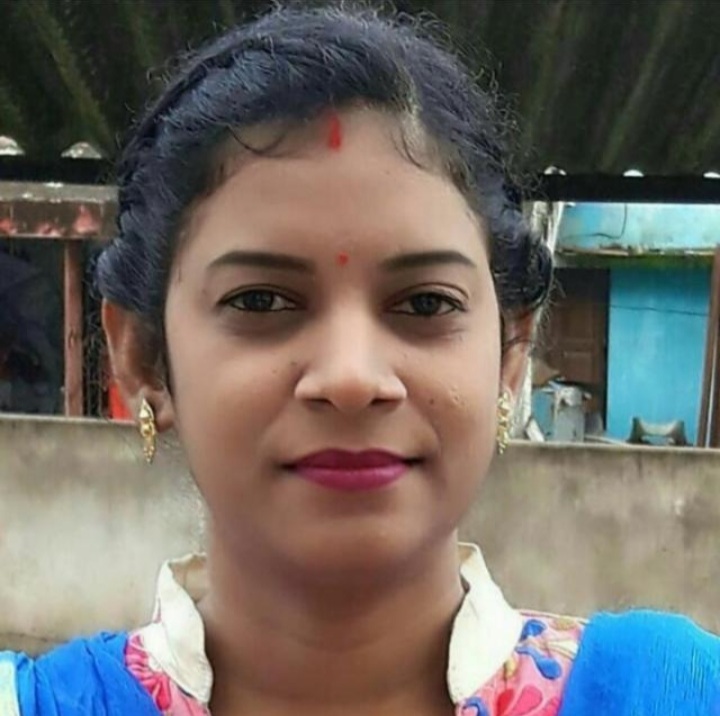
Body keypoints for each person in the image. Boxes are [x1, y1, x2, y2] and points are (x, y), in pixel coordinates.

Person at [2, 4, 719, 715]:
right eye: (260, 301)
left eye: (426, 303)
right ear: (143, 358)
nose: (351, 377)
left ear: (510, 355)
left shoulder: (669, 694)